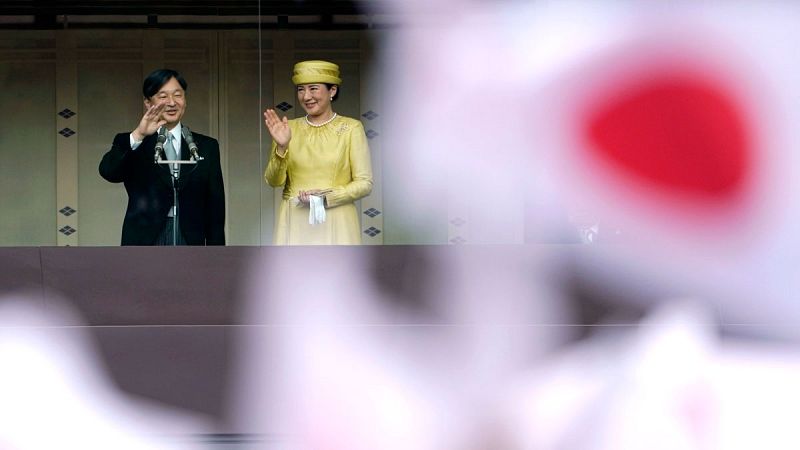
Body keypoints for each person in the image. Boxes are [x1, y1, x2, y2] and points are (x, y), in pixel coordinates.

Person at [99, 69, 225, 246]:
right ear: (148, 102)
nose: (172, 102)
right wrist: (139, 135)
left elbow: (215, 207)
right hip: (145, 240)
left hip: (190, 238)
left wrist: (216, 254)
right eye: (163, 96)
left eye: (178, 95)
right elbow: (108, 172)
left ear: (185, 100)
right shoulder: (132, 141)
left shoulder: (207, 146)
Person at [264, 60, 373, 245]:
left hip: (337, 221)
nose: (306, 96)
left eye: (313, 89)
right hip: (295, 223)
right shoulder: (287, 128)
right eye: (301, 89)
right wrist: (281, 147)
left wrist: (325, 197)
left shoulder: (351, 128)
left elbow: (365, 183)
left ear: (332, 91)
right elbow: (274, 181)